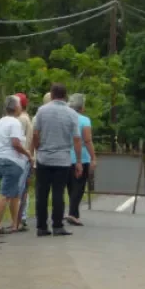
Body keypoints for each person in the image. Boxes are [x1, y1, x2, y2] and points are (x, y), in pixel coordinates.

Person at [32, 83, 82, 237]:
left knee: (42, 193)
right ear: (65, 96)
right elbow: (77, 139)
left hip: (44, 157)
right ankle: (57, 225)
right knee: (58, 193)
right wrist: (78, 161)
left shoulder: (42, 111)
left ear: (52, 95)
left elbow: (35, 133)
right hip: (62, 159)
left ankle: (41, 226)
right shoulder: (71, 114)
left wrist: (38, 147)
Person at [0, 96, 32, 236]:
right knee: (5, 194)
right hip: (11, 161)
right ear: (16, 107)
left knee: (13, 193)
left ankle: (16, 223)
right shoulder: (15, 122)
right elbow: (15, 143)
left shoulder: (0, 122)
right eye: (19, 105)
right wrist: (28, 154)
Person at [66, 93, 96, 226]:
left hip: (65, 156)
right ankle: (72, 213)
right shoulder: (84, 120)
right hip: (81, 157)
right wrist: (93, 157)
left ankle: (74, 213)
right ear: (81, 106)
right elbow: (87, 140)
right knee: (79, 186)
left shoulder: (65, 118)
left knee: (70, 187)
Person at [15, 92, 33, 232]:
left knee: (19, 189)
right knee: (24, 189)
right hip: (28, 157)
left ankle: (19, 218)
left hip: (22, 157)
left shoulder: (21, 119)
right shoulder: (27, 118)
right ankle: (23, 217)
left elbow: (16, 140)